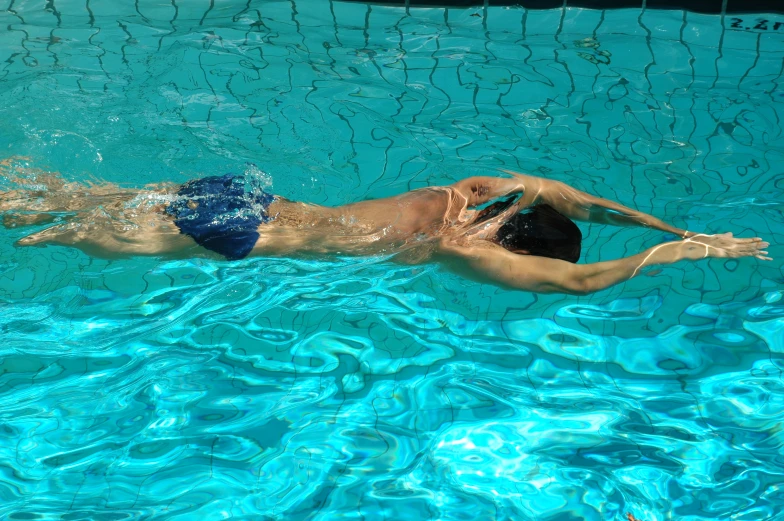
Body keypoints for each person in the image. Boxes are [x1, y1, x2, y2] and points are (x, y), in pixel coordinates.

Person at [0, 159, 770, 295]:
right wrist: (693, 247)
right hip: (246, 237)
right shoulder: (462, 248)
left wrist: (659, 219)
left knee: (67, 192)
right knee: (61, 233)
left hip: (244, 197)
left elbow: (580, 201)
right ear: (514, 245)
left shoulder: (473, 192)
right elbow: (581, 278)